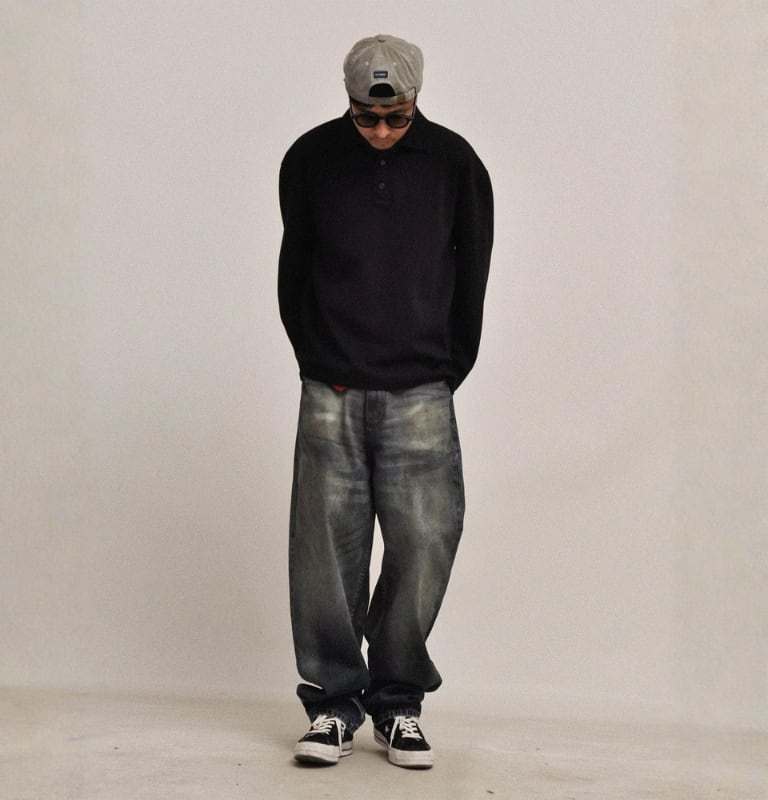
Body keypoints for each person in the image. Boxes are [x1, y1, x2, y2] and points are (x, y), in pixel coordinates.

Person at [277, 34, 493, 769]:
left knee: (425, 544)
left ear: (416, 99)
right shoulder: (310, 158)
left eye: (395, 117)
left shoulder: (455, 163)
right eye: (365, 117)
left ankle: (398, 701)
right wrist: (317, 359)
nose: (379, 131)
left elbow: (473, 269)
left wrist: (446, 368)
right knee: (323, 553)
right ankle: (332, 706)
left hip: (421, 387)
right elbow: (295, 264)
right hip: (330, 388)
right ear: (347, 102)